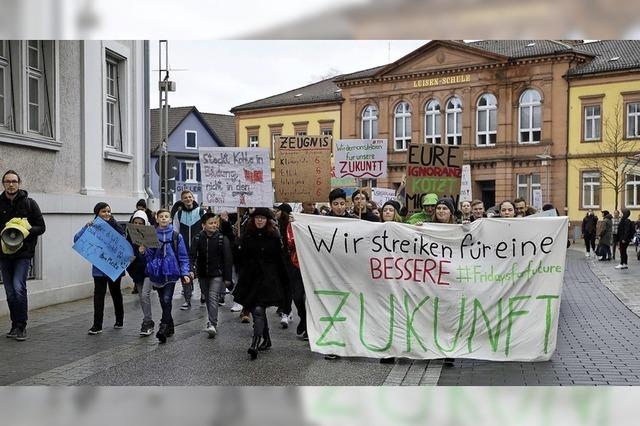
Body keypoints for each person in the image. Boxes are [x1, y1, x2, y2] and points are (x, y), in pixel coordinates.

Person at [233, 208, 288, 360]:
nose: (259, 220)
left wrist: (284, 282)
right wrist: (237, 246)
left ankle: (255, 343)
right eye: (257, 218)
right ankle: (267, 339)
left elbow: (280, 260)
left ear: (267, 220)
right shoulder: (247, 236)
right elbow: (240, 259)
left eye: (262, 218)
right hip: (251, 278)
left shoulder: (274, 237)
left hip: (268, 279)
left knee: (258, 310)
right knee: (259, 311)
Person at [0, 170, 46, 341]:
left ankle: (21, 326)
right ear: (3, 184)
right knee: (10, 292)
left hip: (23, 254)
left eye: (14, 181)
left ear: (19, 183)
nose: (11, 184)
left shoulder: (29, 203)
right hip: (4, 254)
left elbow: (41, 227)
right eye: (7, 181)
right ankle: (14, 324)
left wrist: (27, 230)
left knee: (19, 288)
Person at [74, 202, 125, 335]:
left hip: (113, 267)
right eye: (103, 211)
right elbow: (77, 239)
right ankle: (97, 325)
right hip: (99, 268)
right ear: (97, 213)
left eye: (109, 211)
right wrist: (86, 227)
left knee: (116, 293)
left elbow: (123, 243)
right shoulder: (93, 226)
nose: (107, 214)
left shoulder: (117, 226)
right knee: (98, 296)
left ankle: (119, 319)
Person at [140, 208, 191, 343]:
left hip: (172, 273)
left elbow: (183, 256)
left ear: (170, 219)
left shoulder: (176, 236)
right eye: (161, 216)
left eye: (166, 216)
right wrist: (144, 251)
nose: (163, 218)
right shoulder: (152, 235)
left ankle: (162, 327)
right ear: (157, 219)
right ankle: (170, 325)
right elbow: (150, 256)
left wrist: (185, 273)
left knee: (167, 299)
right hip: (157, 273)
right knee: (163, 300)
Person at [189, 212, 233, 338]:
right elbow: (192, 255)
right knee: (207, 297)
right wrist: (191, 269)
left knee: (213, 297)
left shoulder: (221, 239)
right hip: (202, 274)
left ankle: (213, 324)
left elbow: (227, 259)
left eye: (215, 223)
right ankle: (211, 319)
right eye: (211, 223)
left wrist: (227, 278)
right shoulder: (197, 238)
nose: (214, 225)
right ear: (204, 225)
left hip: (217, 274)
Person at [172, 190, 207, 310]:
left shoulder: (201, 212)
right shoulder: (179, 214)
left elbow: (207, 228)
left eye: (189, 197)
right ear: (182, 200)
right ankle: (187, 299)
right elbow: (175, 231)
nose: (188, 199)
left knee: (201, 272)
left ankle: (203, 293)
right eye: (185, 198)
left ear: (193, 198)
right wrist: (176, 247)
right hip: (184, 248)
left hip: (200, 247)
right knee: (185, 272)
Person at [126, 210, 155, 336]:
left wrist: (144, 252)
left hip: (148, 271)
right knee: (142, 298)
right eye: (135, 222)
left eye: (140, 223)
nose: (137, 225)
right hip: (137, 271)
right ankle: (148, 320)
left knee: (144, 295)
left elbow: (155, 254)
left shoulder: (150, 236)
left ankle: (147, 321)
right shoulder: (129, 237)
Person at [275, 203, 295, 329]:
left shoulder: (291, 225)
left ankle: (286, 312)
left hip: (290, 261)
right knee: (281, 286)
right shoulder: (275, 226)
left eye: (278, 211)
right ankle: (285, 309)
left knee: (288, 287)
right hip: (278, 261)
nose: (276, 213)